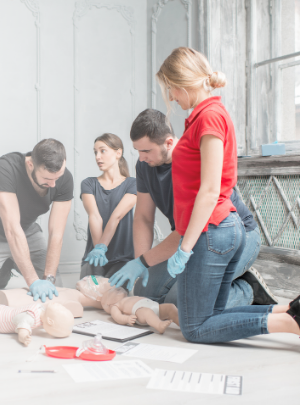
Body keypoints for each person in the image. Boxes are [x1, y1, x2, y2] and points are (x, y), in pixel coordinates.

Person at [113, 47, 300, 358]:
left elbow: (209, 191)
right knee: (212, 313)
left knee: (194, 326)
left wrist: (184, 247)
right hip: (215, 230)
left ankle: (293, 323)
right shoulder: (198, 119)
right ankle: (290, 310)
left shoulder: (209, 117)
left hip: (214, 231)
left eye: (170, 88)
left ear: (182, 83)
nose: (171, 97)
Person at [109, 108, 277, 309]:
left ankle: (247, 289)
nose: (141, 157)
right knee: (146, 294)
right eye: (138, 151)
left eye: (146, 151)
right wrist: (141, 265)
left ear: (169, 143)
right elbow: (144, 217)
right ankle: (216, 286)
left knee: (183, 302)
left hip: (236, 237)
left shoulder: (192, 160)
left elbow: (187, 227)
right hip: (191, 241)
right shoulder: (145, 165)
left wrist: (144, 262)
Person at [0, 139, 73, 307]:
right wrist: (33, 281)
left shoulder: (64, 178)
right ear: (30, 164)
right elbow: (12, 229)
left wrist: (48, 279)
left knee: (55, 289)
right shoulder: (4, 168)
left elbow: (56, 234)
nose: (53, 185)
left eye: (57, 178)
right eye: (46, 179)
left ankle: (14, 260)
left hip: (27, 230)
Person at [81, 133, 137, 279]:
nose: (97, 157)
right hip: (94, 257)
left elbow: (116, 216)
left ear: (118, 153)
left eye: (102, 151)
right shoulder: (88, 183)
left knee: (112, 295)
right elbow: (94, 216)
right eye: (95, 152)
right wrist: (98, 251)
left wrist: (102, 247)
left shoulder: (132, 184)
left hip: (122, 259)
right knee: (91, 295)